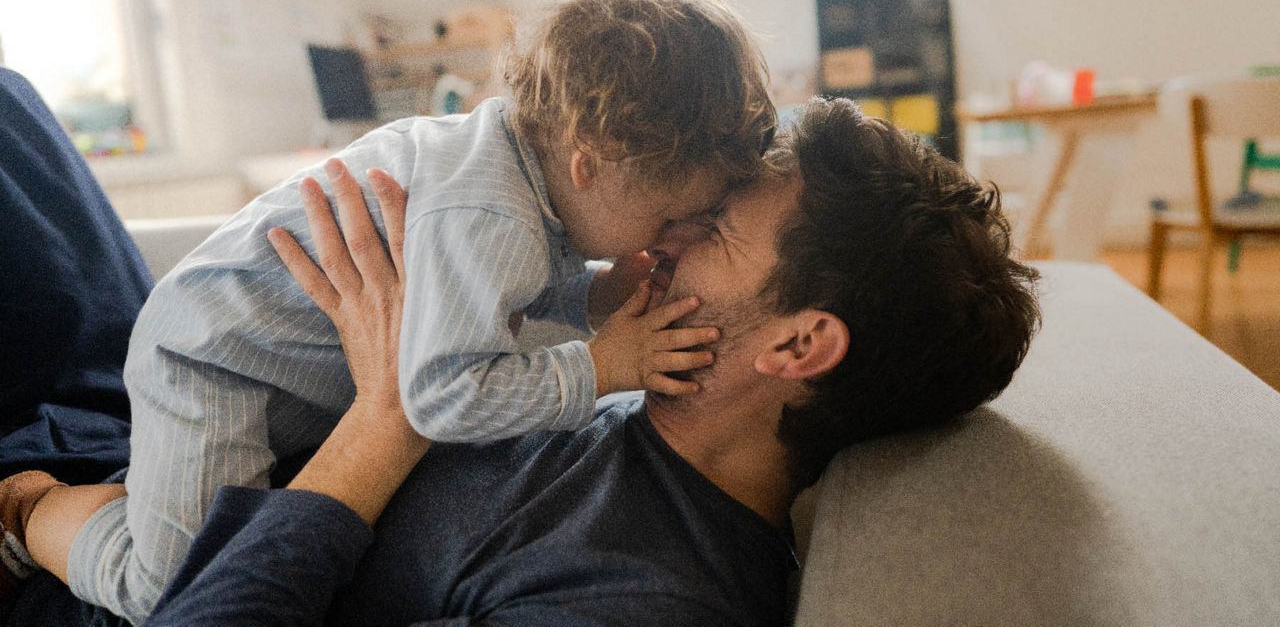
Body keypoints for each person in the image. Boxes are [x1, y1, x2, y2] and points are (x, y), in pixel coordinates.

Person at [0, 0, 777, 623]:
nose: (675, 239)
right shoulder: (494, 218)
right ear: (591, 163)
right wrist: (600, 366)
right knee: (164, 586)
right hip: (215, 366)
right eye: (678, 213)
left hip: (270, 367)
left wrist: (588, 296)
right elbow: (442, 394)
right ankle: (33, 511)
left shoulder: (512, 164)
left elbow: (486, 297)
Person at [129, 97, 1040, 625]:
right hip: (175, 440)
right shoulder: (621, 392)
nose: (666, 238)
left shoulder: (639, 597)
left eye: (714, 229)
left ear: (799, 344)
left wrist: (391, 414)